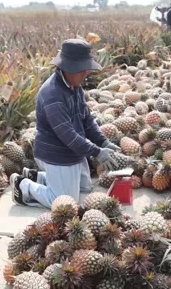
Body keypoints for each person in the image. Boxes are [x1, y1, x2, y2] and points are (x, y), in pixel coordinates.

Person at [11, 38, 119, 209]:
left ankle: (38, 178)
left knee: (85, 187)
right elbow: (67, 135)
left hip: (72, 151)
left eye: (86, 69)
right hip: (56, 153)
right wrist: (97, 152)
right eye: (82, 70)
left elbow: (87, 120)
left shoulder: (75, 87)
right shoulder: (52, 95)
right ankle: (24, 186)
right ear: (68, 68)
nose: (86, 74)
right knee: (66, 203)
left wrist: (103, 141)